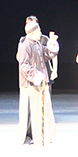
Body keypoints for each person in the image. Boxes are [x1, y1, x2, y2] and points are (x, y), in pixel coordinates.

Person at [16, 16, 59, 145]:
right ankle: (36, 137)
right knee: (35, 111)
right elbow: (23, 64)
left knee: (45, 109)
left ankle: (45, 136)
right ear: (32, 32)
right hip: (32, 83)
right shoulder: (25, 44)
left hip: (42, 83)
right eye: (38, 30)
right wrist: (35, 75)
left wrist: (52, 45)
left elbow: (47, 54)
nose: (40, 32)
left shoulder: (38, 43)